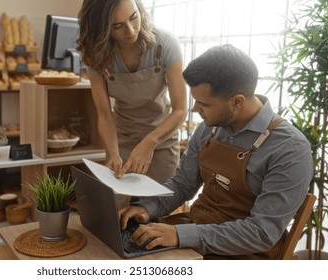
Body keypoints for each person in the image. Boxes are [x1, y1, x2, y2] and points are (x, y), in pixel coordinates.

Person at [119, 44, 314, 259]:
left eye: (203, 104)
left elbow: (261, 233)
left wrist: (180, 235)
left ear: (237, 102)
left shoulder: (290, 149)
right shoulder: (209, 128)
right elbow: (182, 184)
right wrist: (148, 207)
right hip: (197, 230)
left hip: (246, 254)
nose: (195, 110)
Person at [76, 0, 187, 186]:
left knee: (160, 205)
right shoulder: (95, 54)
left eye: (134, 17)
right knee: (118, 207)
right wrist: (113, 153)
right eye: (117, 26)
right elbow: (104, 114)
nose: (130, 30)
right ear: (101, 29)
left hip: (161, 136)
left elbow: (180, 109)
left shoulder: (165, 43)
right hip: (121, 138)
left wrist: (150, 142)